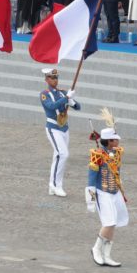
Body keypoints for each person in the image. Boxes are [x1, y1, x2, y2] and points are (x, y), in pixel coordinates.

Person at [87, 120, 127, 268]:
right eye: (115, 139)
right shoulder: (97, 155)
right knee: (108, 222)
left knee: (113, 223)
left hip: (115, 191)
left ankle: (107, 255)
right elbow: (91, 179)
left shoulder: (117, 153)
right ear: (109, 141)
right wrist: (91, 199)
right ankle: (96, 248)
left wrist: (121, 192)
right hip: (102, 192)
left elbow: (117, 173)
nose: (118, 141)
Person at [39, 68, 80, 197]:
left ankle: (52, 185)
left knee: (58, 156)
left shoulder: (62, 92)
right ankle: (57, 185)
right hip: (53, 128)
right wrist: (66, 98)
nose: (55, 80)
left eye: (56, 78)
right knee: (63, 154)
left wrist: (72, 101)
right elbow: (51, 106)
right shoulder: (44, 94)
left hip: (64, 128)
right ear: (46, 79)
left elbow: (79, 108)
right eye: (52, 78)